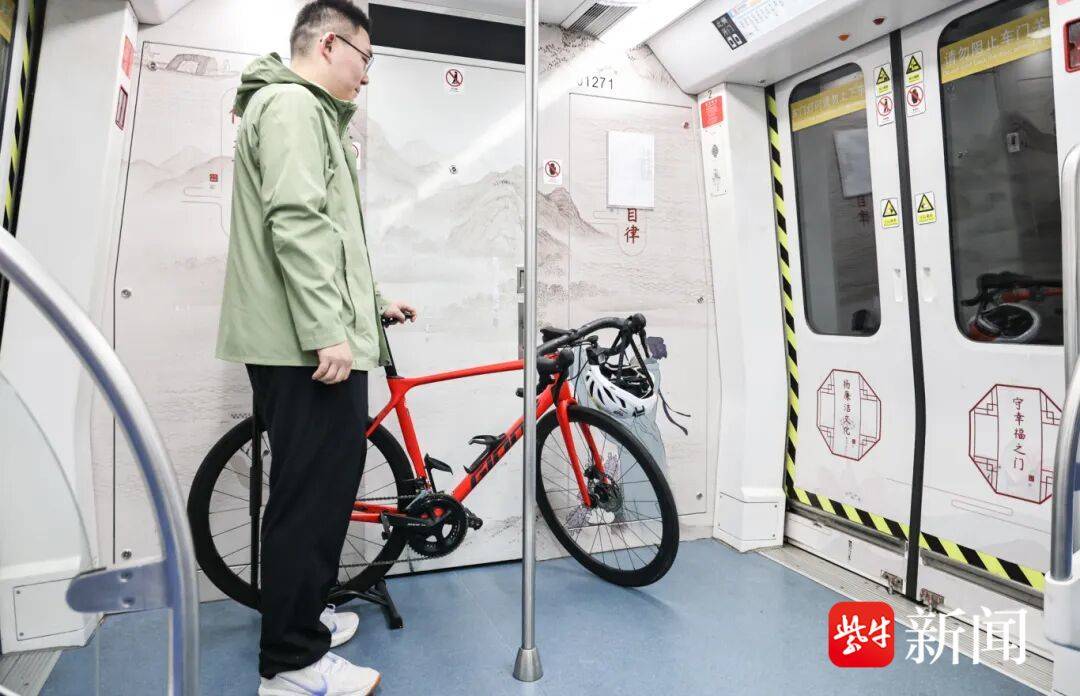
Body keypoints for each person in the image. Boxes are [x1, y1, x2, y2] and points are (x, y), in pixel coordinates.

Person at [215, 2, 415, 693]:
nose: (368, 74)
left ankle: (304, 619)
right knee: (310, 499)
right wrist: (326, 329)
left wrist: (369, 301)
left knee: (315, 494)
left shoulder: (302, 111)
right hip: (304, 348)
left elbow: (330, 237)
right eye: (366, 57)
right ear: (331, 43)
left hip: (300, 339)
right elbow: (296, 222)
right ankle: (292, 665)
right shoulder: (294, 107)